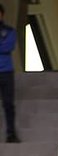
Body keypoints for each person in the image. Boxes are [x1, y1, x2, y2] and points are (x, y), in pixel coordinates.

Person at [0, 4, 18, 142]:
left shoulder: (10, 31)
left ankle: (11, 133)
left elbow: (8, 47)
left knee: (8, 104)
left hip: (6, 71)